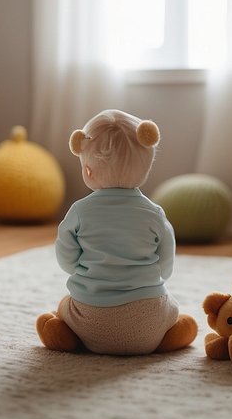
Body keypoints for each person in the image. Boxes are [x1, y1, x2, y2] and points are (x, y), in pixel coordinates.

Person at [35, 109, 198, 355]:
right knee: (176, 313)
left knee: (63, 307)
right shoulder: (154, 214)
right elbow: (166, 267)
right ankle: (162, 340)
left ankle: (70, 338)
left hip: (90, 321)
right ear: (146, 168)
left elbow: (66, 259)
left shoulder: (79, 211)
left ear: (87, 171)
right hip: (148, 322)